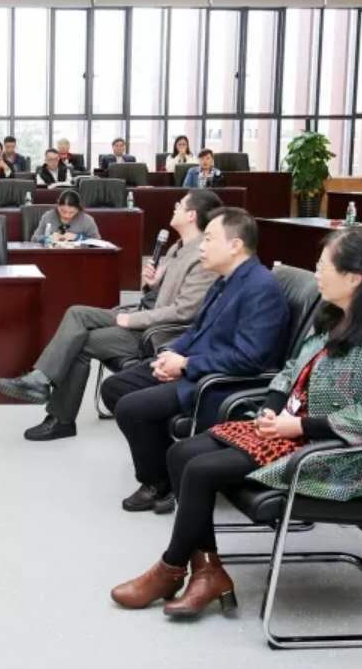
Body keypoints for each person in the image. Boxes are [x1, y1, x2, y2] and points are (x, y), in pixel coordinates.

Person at [111, 228, 362, 618]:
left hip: (336, 453)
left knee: (201, 470)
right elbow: (290, 370)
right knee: (180, 454)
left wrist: (300, 427)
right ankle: (208, 572)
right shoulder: (334, 315)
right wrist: (271, 410)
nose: (316, 274)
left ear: (355, 277)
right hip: (288, 430)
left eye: (323, 266)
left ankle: (170, 570)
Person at [104, 208, 290, 512]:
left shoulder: (261, 288)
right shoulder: (225, 279)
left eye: (209, 239)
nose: (201, 246)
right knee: (114, 388)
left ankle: (158, 482)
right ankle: (167, 467)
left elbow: (249, 358)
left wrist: (186, 365)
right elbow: (196, 330)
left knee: (131, 408)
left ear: (235, 245)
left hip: (218, 381)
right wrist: (170, 354)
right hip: (195, 365)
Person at [0, 191, 224, 440]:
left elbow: (183, 312)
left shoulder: (202, 257)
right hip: (145, 315)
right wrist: (152, 284)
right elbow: (159, 296)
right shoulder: (176, 247)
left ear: (191, 215)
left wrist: (132, 319)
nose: (175, 207)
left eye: (180, 205)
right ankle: (40, 379)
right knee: (76, 313)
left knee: (79, 343)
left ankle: (59, 418)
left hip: (158, 334)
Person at [31, 190, 99, 245]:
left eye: (71, 212)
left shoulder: (87, 220)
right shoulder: (48, 216)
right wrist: (48, 238)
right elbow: (34, 238)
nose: (67, 215)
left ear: (78, 209)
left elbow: (97, 241)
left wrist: (77, 237)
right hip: (52, 254)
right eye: (63, 211)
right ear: (58, 205)